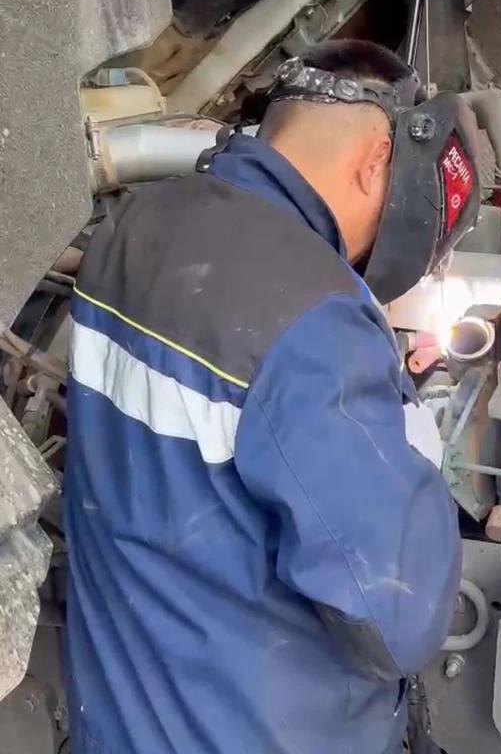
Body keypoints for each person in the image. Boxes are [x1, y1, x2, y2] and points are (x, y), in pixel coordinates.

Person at [65, 39, 479, 754]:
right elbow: (395, 623)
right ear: (376, 160)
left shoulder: (131, 227)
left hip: (125, 719)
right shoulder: (316, 320)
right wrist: (412, 437)